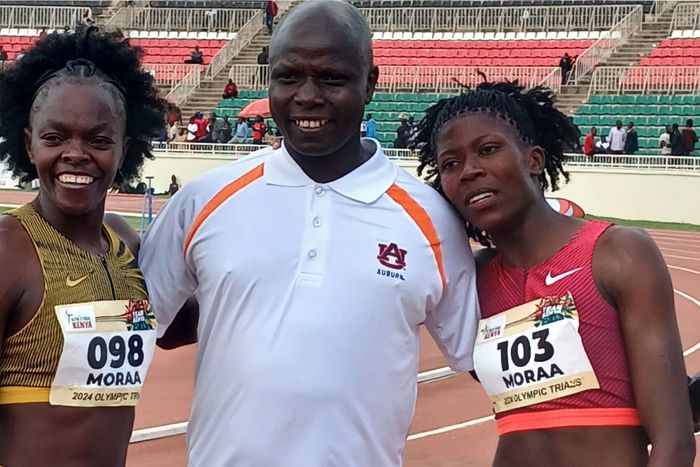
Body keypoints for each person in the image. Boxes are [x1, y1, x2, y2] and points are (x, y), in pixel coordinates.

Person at [138, 2, 479, 465]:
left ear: (370, 84)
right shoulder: (203, 200)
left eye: (331, 78)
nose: (307, 96)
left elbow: (480, 360)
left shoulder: (431, 219)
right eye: (288, 76)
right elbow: (142, 328)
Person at [414, 81, 695, 467]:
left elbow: (674, 443)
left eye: (488, 149)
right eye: (450, 164)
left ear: (534, 160)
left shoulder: (617, 253)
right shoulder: (471, 279)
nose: (469, 171)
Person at [0, 26, 165, 466]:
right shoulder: (9, 251)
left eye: (98, 140)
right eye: (55, 138)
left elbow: (193, 320)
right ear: (29, 145)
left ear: (124, 150)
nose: (76, 153)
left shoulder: (124, 242)